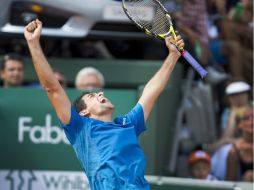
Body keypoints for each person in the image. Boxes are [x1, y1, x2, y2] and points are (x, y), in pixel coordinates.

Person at [24, 19, 184, 189]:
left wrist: (173, 56)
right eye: (92, 96)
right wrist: (33, 43)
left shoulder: (128, 124)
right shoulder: (80, 127)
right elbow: (53, 88)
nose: (100, 93)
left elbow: (151, 92)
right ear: (84, 113)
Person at [226, 105, 253, 182]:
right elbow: (230, 182)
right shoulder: (234, 151)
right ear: (239, 124)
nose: (252, 121)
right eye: (247, 118)